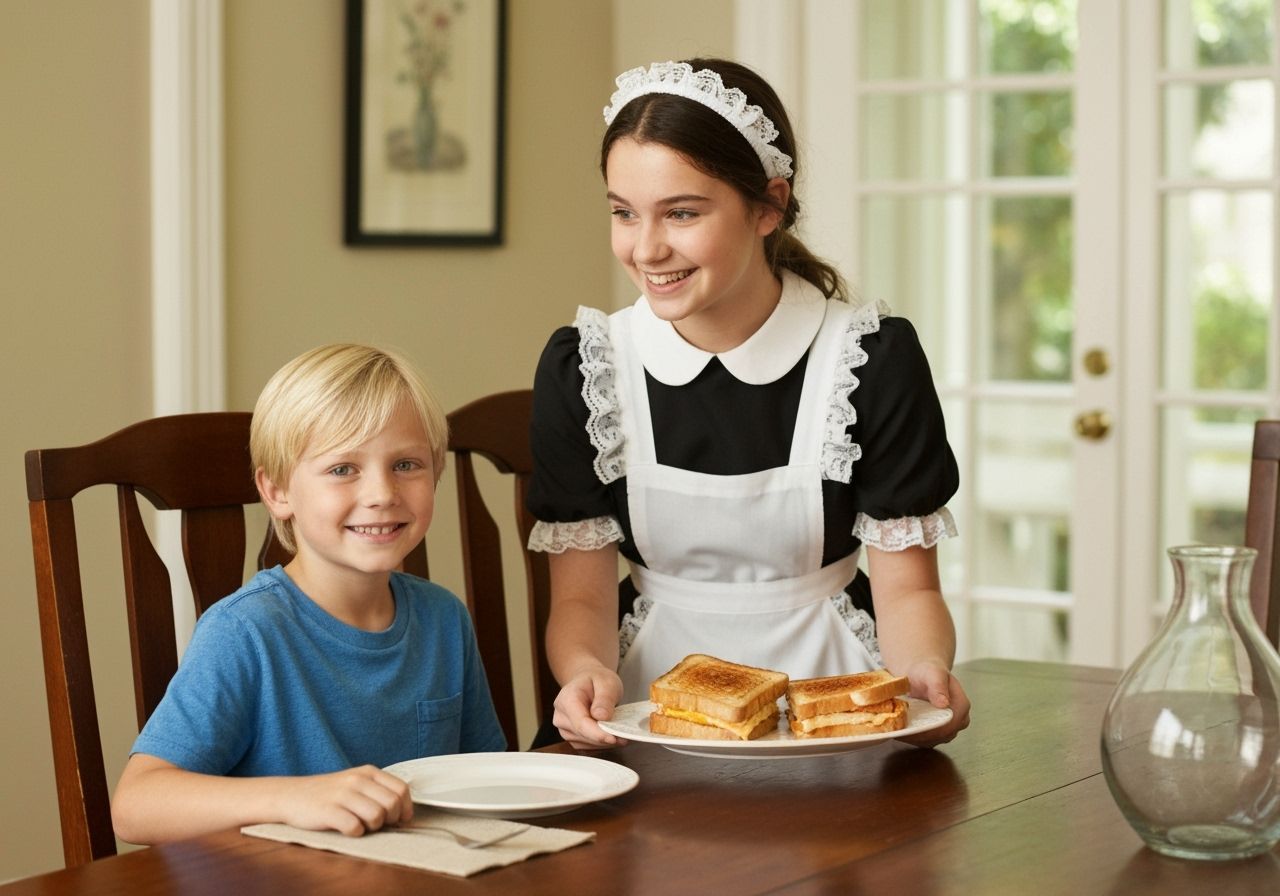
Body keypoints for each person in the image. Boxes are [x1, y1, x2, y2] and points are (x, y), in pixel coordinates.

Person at [526, 58, 971, 750]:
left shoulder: (867, 358)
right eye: (623, 213)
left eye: (682, 212)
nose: (647, 249)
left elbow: (909, 593)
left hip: (836, 710)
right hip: (641, 713)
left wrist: (923, 675)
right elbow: (582, 598)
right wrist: (584, 671)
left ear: (768, 205)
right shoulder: (586, 367)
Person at [111, 343, 505, 844]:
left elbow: (487, 776)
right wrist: (293, 798)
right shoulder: (245, 631)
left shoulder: (444, 618)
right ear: (277, 493)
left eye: (407, 464)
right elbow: (135, 806)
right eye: (343, 469)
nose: (382, 493)